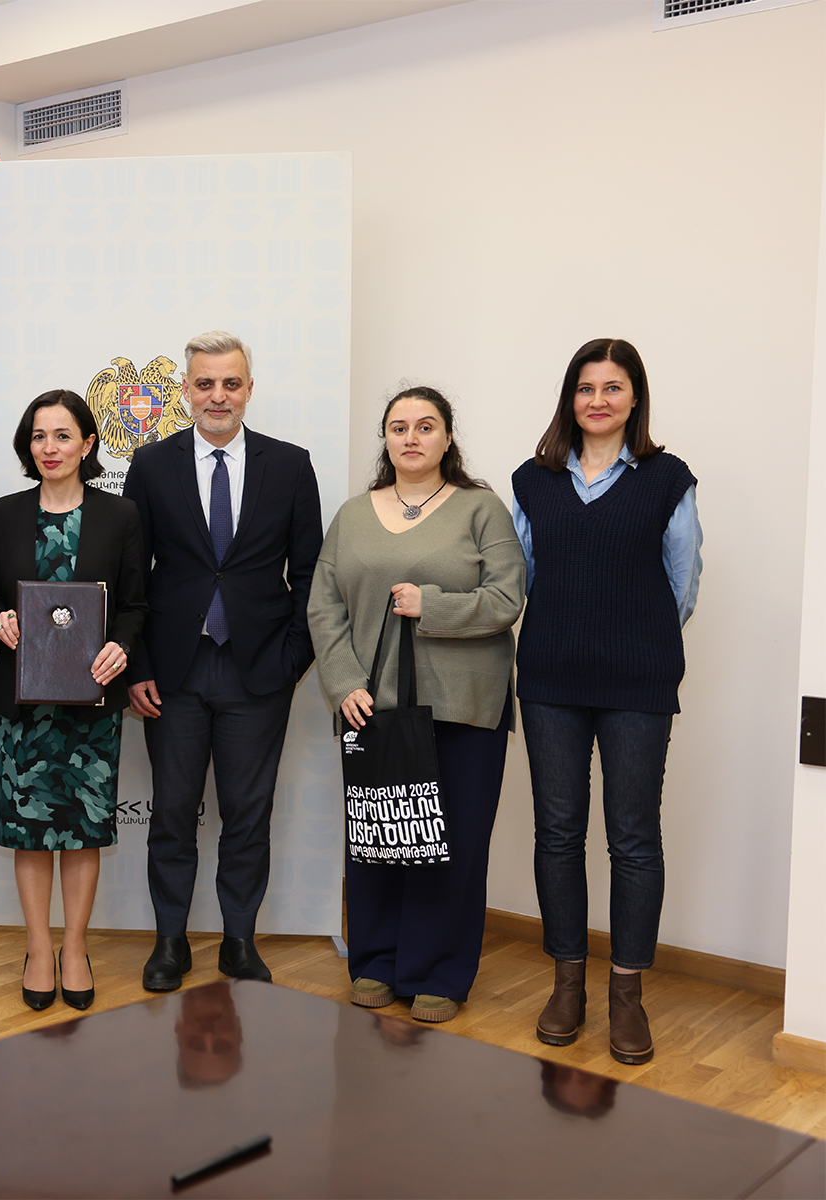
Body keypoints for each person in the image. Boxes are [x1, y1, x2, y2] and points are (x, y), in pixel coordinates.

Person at [308, 386, 525, 1023]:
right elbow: (323, 605)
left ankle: (438, 974)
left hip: (465, 707)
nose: (411, 437)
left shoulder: (482, 509)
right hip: (371, 706)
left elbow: (507, 597)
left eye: (425, 426)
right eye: (398, 426)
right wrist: (344, 683)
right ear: (385, 438)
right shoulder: (352, 515)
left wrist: (434, 605)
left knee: (453, 846)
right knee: (377, 842)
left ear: (447, 438)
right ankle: (375, 962)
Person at [512, 339, 700, 1065]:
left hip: (637, 684)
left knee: (634, 838)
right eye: (586, 387)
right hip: (550, 680)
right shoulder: (534, 481)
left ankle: (627, 994)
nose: (598, 400)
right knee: (558, 833)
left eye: (613, 387)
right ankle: (568, 987)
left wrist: (633, 640)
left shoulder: (668, 479)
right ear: (571, 398)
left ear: (634, 397)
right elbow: (523, 578)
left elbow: (682, 584)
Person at [122, 331, 322, 990]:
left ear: (249, 389)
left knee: (248, 815)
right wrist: (138, 666)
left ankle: (239, 941)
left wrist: (292, 659)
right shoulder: (151, 465)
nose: (218, 396)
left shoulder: (290, 466)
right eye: (205, 383)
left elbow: (312, 574)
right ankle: (170, 942)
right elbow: (131, 577)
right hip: (171, 674)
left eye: (230, 383)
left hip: (257, 671)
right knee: (172, 815)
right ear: (185, 390)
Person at [0, 390, 147, 1011]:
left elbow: (135, 604)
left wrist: (122, 646)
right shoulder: (4, 513)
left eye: (63, 435)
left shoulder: (120, 515)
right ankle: (39, 950)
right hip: (23, 702)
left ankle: (75, 948)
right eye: (38, 436)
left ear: (88, 444)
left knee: (82, 830)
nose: (50, 448)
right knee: (29, 832)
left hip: (92, 699)